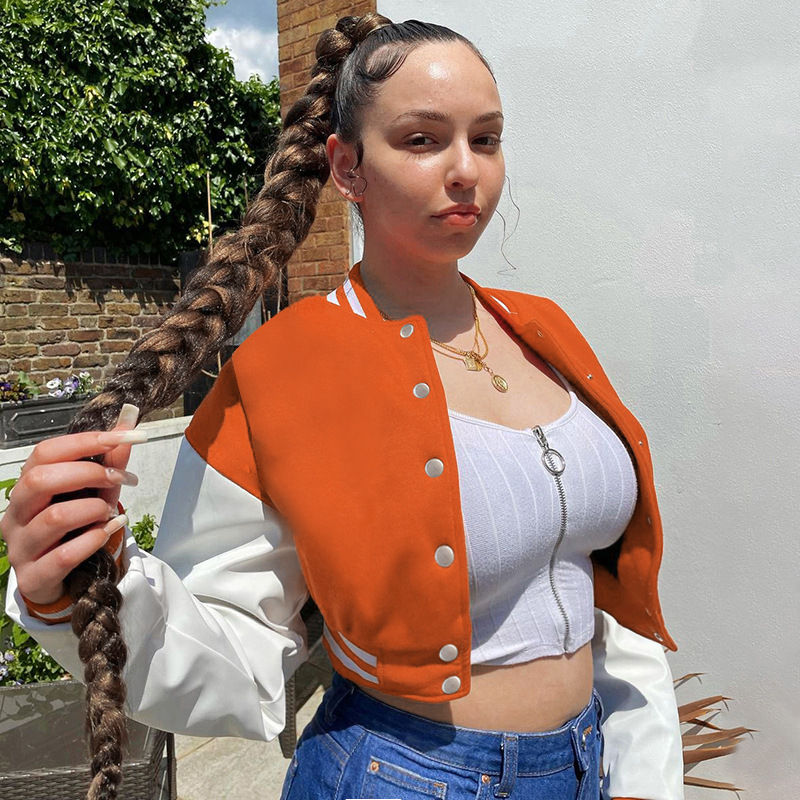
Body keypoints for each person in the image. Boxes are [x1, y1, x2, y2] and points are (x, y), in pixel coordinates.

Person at [1, 13, 685, 800]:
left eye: (487, 139)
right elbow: (236, 646)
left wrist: (643, 760)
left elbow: (595, 580)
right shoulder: (281, 369)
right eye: (423, 140)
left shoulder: (546, 330)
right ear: (347, 167)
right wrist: (80, 582)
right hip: (398, 778)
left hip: (587, 763)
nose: (466, 169)